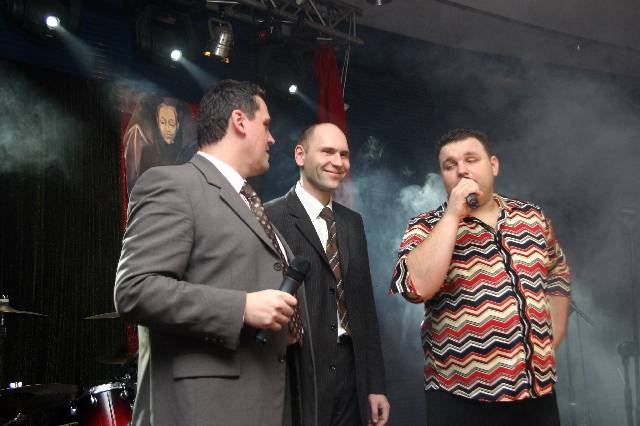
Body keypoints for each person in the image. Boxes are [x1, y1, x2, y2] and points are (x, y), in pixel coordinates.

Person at [114, 80, 305, 426]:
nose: (272, 138)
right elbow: (135, 290)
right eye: (266, 125)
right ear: (239, 121)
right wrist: (242, 307)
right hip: (204, 409)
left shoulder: (249, 203)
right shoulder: (172, 185)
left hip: (262, 401)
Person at [389, 128, 571, 426]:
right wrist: (452, 216)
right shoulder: (425, 226)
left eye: (471, 159)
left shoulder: (531, 217)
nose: (461, 170)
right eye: (450, 165)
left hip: (536, 392)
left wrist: (553, 335)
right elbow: (415, 288)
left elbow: (558, 273)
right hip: (460, 398)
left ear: (493, 165)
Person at [266, 123, 390, 426]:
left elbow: (364, 307)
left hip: (351, 370)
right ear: (300, 155)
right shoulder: (270, 217)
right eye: (328, 152)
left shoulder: (352, 223)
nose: (338, 162)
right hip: (299, 369)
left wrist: (375, 385)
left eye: (344, 154)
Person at [123, 95, 197, 194]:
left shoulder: (188, 144)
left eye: (171, 124)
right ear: (157, 121)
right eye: (162, 122)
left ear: (177, 125)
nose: (167, 129)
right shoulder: (141, 135)